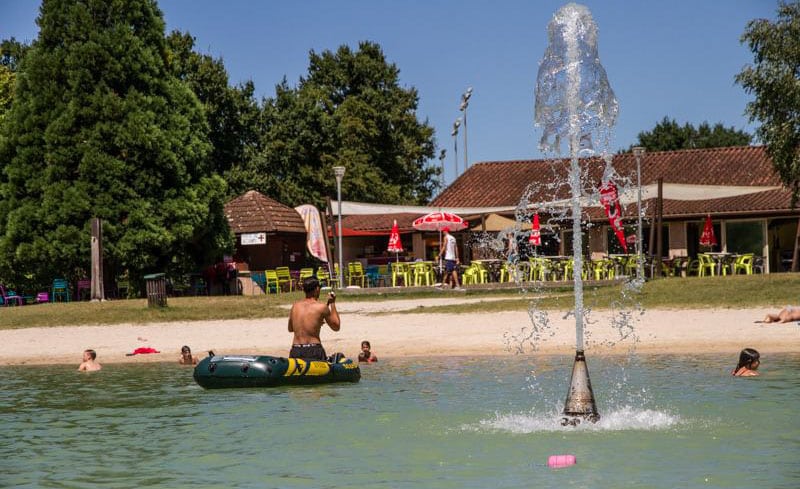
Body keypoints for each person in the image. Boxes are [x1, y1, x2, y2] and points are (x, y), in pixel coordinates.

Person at [287, 276, 340, 361]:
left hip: (296, 350)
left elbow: (290, 329)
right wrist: (332, 303)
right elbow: (336, 326)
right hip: (313, 350)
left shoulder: (295, 306)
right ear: (317, 289)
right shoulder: (321, 307)